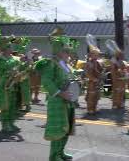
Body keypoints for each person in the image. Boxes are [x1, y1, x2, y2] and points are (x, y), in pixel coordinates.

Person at [34, 28, 78, 161]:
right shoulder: (50, 63)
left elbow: (69, 79)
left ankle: (61, 153)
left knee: (66, 128)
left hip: (68, 101)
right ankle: (54, 156)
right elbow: (46, 81)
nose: (67, 53)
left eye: (68, 51)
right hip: (57, 101)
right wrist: (60, 93)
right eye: (65, 51)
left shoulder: (65, 64)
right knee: (58, 129)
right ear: (58, 50)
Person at [0, 27, 22, 133]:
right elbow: (0, 69)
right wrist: (11, 72)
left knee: (13, 105)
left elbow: (19, 67)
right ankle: (5, 124)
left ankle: (11, 122)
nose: (11, 48)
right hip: (5, 84)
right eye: (9, 47)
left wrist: (26, 64)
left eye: (10, 46)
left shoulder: (13, 58)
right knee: (5, 105)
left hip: (14, 83)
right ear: (4, 48)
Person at [85, 44, 102, 115]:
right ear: (91, 55)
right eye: (95, 55)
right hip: (92, 82)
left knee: (96, 96)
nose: (96, 56)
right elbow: (87, 73)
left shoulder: (97, 63)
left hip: (97, 82)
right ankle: (90, 109)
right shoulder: (89, 63)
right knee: (91, 96)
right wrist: (93, 79)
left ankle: (94, 108)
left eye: (97, 55)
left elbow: (100, 70)